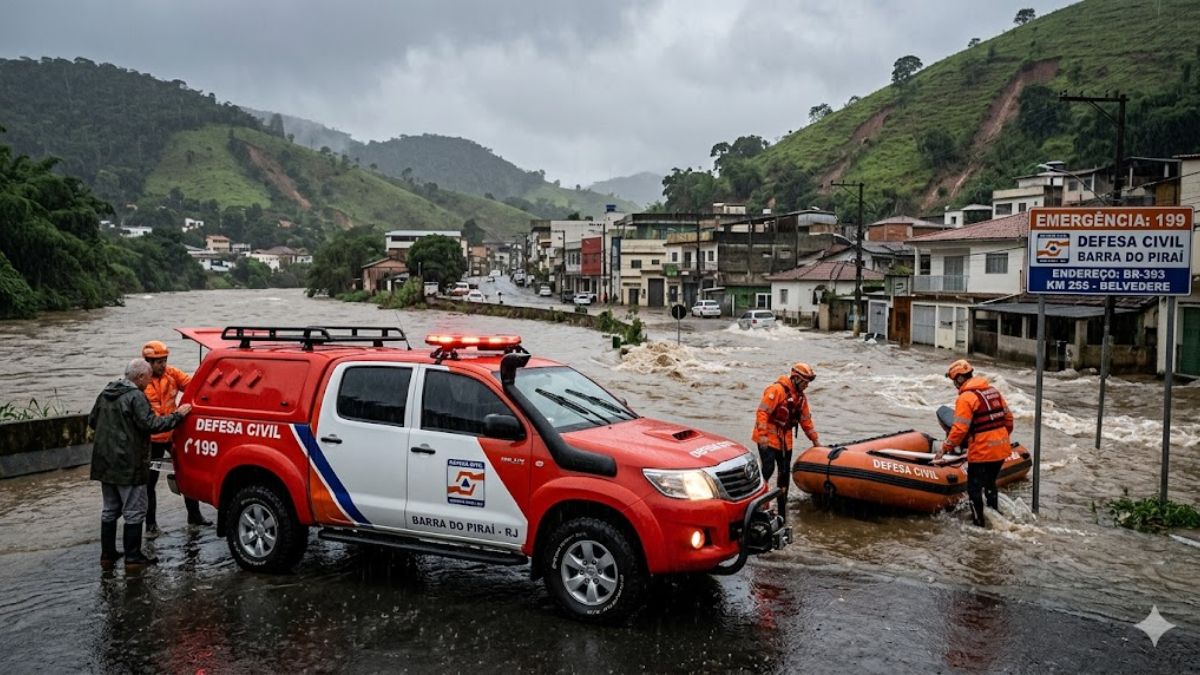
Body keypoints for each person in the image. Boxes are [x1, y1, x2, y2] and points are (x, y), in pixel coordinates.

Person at [89, 358, 192, 568]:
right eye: (147, 378)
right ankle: (133, 557)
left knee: (109, 509)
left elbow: (92, 420)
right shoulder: (136, 396)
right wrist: (178, 416)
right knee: (134, 510)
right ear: (140, 377)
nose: (149, 382)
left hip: (104, 462)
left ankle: (107, 555)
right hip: (129, 462)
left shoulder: (107, 391)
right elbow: (151, 424)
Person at [141, 340, 210, 537]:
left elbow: (193, 386)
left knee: (187, 473)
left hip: (173, 433)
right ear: (147, 362)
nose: (162, 365)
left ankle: (194, 515)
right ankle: (151, 525)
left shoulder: (172, 374)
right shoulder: (140, 381)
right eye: (158, 362)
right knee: (149, 483)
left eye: (164, 360)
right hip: (151, 438)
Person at [934, 359, 1014, 527]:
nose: (955, 385)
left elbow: (959, 430)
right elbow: (1008, 419)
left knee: (974, 488)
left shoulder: (965, 398)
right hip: (1001, 448)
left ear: (960, 379)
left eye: (955, 381)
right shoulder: (993, 391)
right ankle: (995, 513)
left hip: (982, 450)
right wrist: (1002, 438)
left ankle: (979, 524)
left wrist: (944, 449)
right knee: (990, 482)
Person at [752, 362, 819, 522]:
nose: (806, 386)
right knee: (768, 469)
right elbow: (762, 412)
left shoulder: (801, 399)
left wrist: (816, 441)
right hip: (767, 438)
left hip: (785, 442)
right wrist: (762, 436)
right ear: (795, 378)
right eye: (805, 382)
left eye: (808, 383)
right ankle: (759, 502)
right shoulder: (776, 390)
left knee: (784, 475)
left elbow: (806, 421)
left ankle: (782, 509)